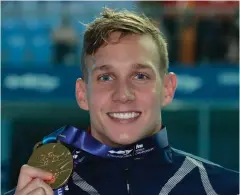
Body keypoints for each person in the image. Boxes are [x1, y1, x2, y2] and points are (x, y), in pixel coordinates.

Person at [6, 8, 239, 195]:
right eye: (105, 77)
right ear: (82, 93)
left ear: (167, 89)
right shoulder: (38, 192)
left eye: (140, 76)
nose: (123, 94)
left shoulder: (227, 188)